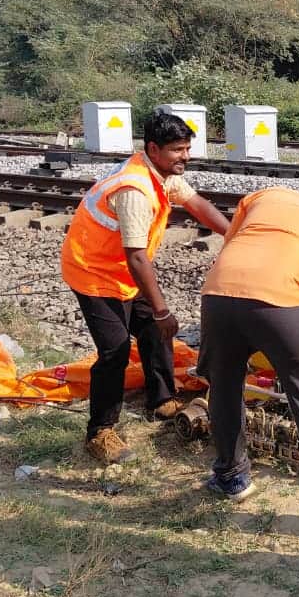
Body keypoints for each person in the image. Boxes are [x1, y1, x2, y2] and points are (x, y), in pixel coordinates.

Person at [60, 111, 230, 464]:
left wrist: (233, 235)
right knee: (115, 351)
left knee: (155, 330)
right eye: (177, 150)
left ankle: (161, 400)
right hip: (94, 273)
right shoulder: (135, 190)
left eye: (187, 148)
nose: (186, 156)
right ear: (153, 149)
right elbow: (137, 257)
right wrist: (162, 309)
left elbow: (197, 204)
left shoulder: (161, 174)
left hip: (121, 270)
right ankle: (100, 432)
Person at [196, 183, 299, 538]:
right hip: (280, 301)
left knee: (224, 386)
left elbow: (232, 244)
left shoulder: (264, 196)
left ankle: (231, 477)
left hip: (217, 294)